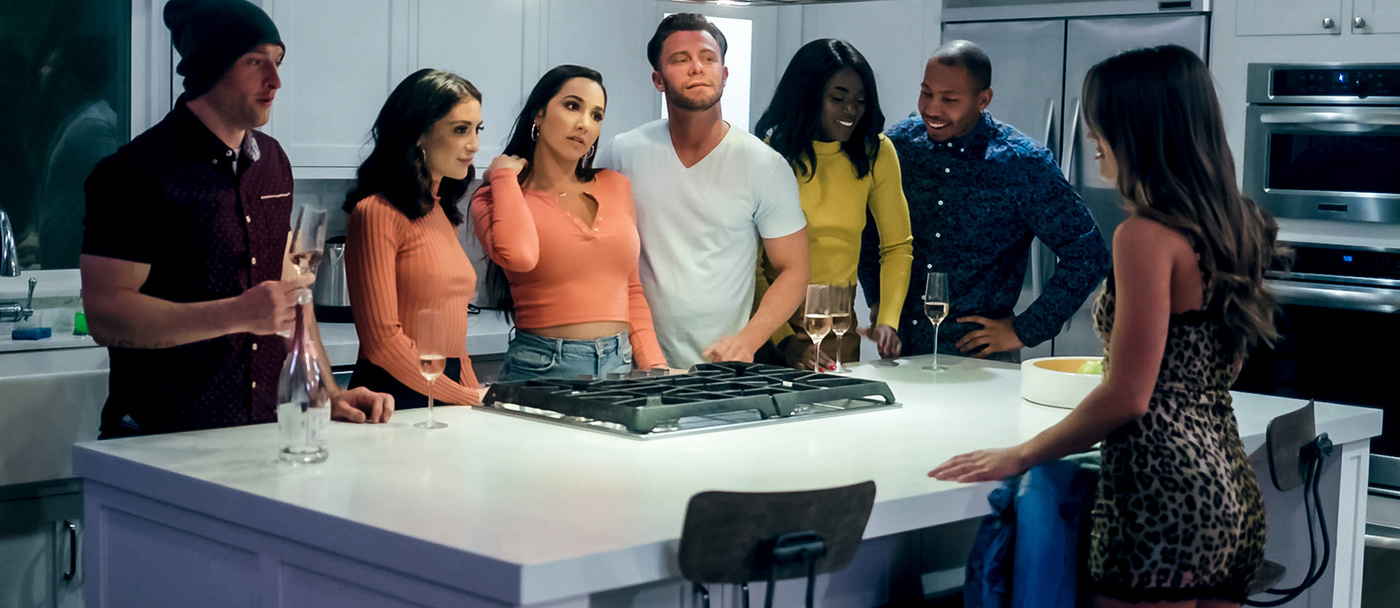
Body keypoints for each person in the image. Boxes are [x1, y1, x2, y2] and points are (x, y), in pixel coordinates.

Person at [931, 45, 1278, 607]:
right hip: (1230, 488)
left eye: (1101, 122)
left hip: (1159, 492)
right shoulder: (1241, 225)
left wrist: (1022, 455)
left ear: (1140, 129)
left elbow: (1127, 396)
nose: (1092, 136)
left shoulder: (1144, 236)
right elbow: (1219, 367)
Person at [80, 0, 391, 438]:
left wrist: (326, 392)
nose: (276, 80)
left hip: (264, 431)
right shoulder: (135, 173)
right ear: (209, 67)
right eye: (255, 61)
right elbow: (106, 315)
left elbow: (292, 294)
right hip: (163, 437)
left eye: (278, 61)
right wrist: (238, 314)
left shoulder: (273, 163)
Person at [859, 40, 1109, 363]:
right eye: (926, 93)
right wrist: (878, 301)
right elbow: (867, 229)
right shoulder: (898, 146)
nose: (932, 109)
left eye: (949, 99)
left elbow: (1088, 253)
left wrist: (1025, 330)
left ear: (983, 99)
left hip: (982, 363)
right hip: (900, 355)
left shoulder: (1021, 163)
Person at [606, 13, 810, 368]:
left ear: (725, 74)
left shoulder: (764, 165)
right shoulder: (622, 153)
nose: (697, 68)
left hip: (721, 370)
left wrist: (748, 341)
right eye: (680, 59)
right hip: (632, 364)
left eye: (708, 58)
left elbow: (794, 269)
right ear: (658, 79)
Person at [471, 65, 668, 381]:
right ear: (538, 114)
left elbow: (631, 289)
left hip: (618, 365)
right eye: (572, 106)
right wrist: (504, 176)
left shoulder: (616, 186)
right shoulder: (494, 197)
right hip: (540, 369)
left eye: (596, 115)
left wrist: (654, 364)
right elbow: (518, 255)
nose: (584, 124)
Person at [753, 38, 912, 369]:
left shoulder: (876, 153)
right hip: (772, 327)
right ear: (808, 96)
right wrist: (785, 341)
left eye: (860, 100)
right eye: (838, 99)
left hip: (840, 323)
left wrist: (889, 320)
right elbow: (749, 266)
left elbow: (897, 246)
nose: (851, 110)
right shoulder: (768, 155)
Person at [342, 68, 484, 407]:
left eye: (477, 129)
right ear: (418, 133)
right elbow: (382, 342)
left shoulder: (442, 212)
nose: (474, 145)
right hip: (391, 398)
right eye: (460, 130)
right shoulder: (375, 212)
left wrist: (476, 401)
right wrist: (467, 397)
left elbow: (455, 347)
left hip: (442, 389)